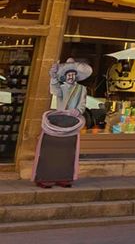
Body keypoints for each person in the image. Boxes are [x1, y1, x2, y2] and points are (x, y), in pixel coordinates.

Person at [32, 59, 92, 188]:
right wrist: (53, 76)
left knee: (68, 152)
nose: (71, 76)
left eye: (73, 74)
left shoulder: (82, 89)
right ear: (65, 76)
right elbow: (54, 90)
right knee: (50, 150)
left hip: (72, 122)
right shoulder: (61, 88)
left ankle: (64, 177)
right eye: (69, 74)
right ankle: (44, 177)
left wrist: (78, 111)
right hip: (58, 120)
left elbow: (82, 104)